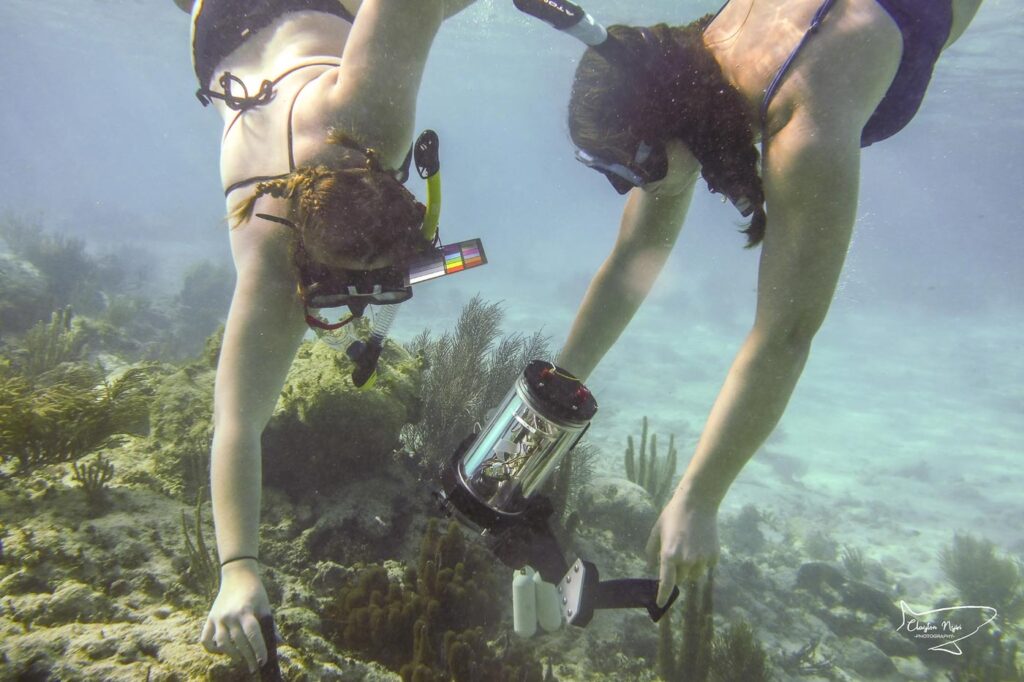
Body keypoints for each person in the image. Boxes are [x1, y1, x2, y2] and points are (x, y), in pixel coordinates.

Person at [553, 0, 983, 608]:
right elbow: (633, 260)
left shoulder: (803, 113)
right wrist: (551, 391)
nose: (629, 185)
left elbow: (785, 333)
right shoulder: (689, 71)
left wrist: (699, 497)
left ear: (670, 126)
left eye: (635, 164)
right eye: (611, 171)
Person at [173, 0, 476, 672]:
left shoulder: (371, 114)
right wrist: (238, 568)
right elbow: (234, 425)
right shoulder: (271, 260)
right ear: (306, 263)